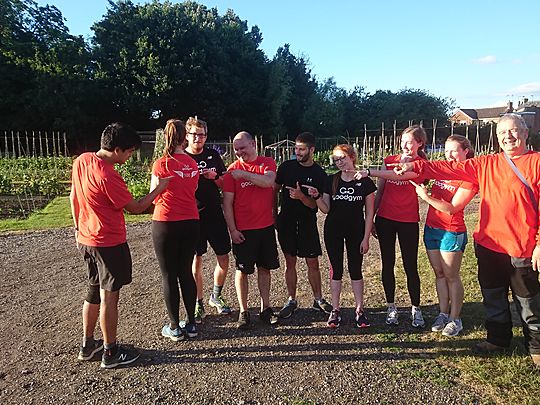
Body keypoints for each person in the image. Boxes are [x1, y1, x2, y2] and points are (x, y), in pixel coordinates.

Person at [394, 114, 540, 367]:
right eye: (503, 132)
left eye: (514, 131)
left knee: (528, 301)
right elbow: (449, 168)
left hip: (523, 246)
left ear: (526, 133)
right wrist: (416, 166)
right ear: (497, 138)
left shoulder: (536, 163)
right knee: (493, 296)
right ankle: (497, 338)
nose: (509, 136)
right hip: (489, 244)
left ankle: (536, 346)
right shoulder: (487, 163)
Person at [70, 122, 170, 369]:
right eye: (129, 151)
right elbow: (135, 208)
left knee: (93, 290)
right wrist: (160, 188)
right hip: (108, 242)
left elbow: (73, 195)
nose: (130, 156)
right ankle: (110, 351)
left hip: (86, 238)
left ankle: (87, 344)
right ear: (117, 149)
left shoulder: (82, 160)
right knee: (109, 297)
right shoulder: (108, 175)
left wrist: (76, 228)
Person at [411, 135, 477, 337]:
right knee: (439, 274)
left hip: (451, 230)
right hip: (432, 228)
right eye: (446, 151)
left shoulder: (470, 177)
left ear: (466, 150)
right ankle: (443, 312)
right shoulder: (444, 170)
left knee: (451, 276)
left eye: (454, 151)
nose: (449, 156)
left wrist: (426, 197)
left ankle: (455, 319)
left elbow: (452, 208)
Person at [305, 144, 376, 328]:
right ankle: (335, 310)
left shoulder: (365, 181)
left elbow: (369, 214)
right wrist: (316, 196)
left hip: (356, 231)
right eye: (336, 159)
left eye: (342, 157)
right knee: (336, 270)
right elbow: (326, 209)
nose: (340, 162)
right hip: (333, 231)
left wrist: (366, 237)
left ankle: (359, 309)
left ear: (352, 156)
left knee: (355, 269)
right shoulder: (332, 180)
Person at [222, 131, 280, 329]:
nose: (239, 153)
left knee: (265, 268)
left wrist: (245, 174)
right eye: (236, 150)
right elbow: (227, 204)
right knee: (242, 271)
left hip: (265, 227)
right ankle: (244, 311)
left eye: (242, 148)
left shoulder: (267, 163)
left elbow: (268, 182)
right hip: (243, 230)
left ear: (253, 144)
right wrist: (232, 230)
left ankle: (266, 308)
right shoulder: (232, 171)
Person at [372, 125, 428, 328]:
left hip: (408, 220)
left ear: (419, 143)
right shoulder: (389, 161)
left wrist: (369, 171)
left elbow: (400, 177)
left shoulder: (421, 165)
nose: (405, 145)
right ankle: (391, 306)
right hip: (386, 218)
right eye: (403, 141)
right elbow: (381, 190)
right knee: (388, 263)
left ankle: (416, 308)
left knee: (410, 265)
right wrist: (371, 219)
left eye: (410, 142)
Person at [274, 132, 332, 319]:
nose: (297, 152)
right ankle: (291, 300)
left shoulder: (319, 174)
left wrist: (301, 197)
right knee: (289, 262)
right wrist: (274, 215)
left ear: (311, 150)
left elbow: (317, 205)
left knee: (313, 263)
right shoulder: (286, 167)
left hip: (307, 222)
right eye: (296, 149)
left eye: (301, 149)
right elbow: (273, 191)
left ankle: (318, 299)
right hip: (286, 222)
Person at [151, 119, 200, 341]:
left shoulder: (161, 164)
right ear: (184, 138)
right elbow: (194, 189)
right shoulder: (192, 163)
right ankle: (191, 323)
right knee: (185, 272)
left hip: (166, 222)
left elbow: (154, 194)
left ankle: (174, 326)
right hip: (190, 221)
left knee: (168, 274)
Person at [184, 117, 232, 323]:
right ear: (187, 135)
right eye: (194, 134)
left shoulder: (213, 155)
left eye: (202, 134)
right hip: (193, 216)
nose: (198, 138)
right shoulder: (182, 157)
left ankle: (216, 295)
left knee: (224, 257)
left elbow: (225, 184)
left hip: (214, 214)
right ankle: (198, 302)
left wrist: (214, 177)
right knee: (197, 259)